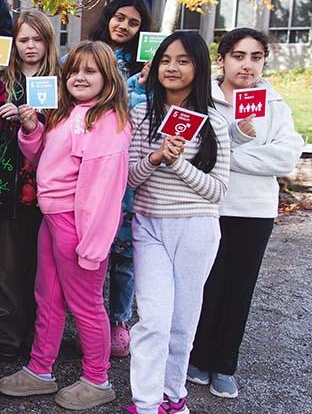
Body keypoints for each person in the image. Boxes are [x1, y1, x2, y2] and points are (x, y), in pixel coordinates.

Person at [0, 41, 131, 411]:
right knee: (48, 297)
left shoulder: (106, 123)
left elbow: (104, 191)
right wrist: (31, 129)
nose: (80, 77)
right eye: (74, 71)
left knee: (85, 303)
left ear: (107, 78)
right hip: (51, 219)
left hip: (77, 225)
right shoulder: (68, 113)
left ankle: (97, 378)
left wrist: (92, 245)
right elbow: (44, 158)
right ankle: (41, 368)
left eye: (90, 71)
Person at [188, 28, 304, 398]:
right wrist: (242, 153)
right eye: (239, 55)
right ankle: (198, 356)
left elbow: (286, 157)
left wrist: (230, 156)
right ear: (222, 59)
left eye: (256, 57)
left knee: (240, 288)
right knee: (207, 284)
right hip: (209, 205)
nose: (247, 65)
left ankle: (224, 365)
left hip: (255, 211)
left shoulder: (273, 102)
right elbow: (195, 151)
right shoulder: (202, 96)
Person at [121, 31, 231, 414]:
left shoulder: (214, 123)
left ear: (198, 67)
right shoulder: (141, 113)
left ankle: (173, 395)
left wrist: (178, 163)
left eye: (183, 60)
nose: (172, 67)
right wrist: (154, 158)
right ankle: (146, 403)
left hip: (196, 228)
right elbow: (130, 180)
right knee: (152, 319)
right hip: (149, 225)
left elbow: (217, 191)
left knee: (183, 320)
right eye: (166, 59)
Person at [0, 9, 60, 361]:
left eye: (37, 39)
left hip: (47, 187)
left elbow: (64, 127)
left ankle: (41, 336)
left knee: (42, 268)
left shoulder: (57, 78)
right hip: (7, 187)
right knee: (9, 265)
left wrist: (35, 118)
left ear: (48, 42)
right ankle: (8, 337)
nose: (30, 46)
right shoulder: (1, 78)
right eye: (23, 39)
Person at [86, 0, 154, 357]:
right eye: (119, 17)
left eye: (133, 22)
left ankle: (119, 319)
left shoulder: (150, 66)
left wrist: (146, 83)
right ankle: (91, 318)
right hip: (93, 165)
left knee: (124, 253)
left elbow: (147, 111)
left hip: (130, 166)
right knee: (94, 248)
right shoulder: (87, 55)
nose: (123, 26)